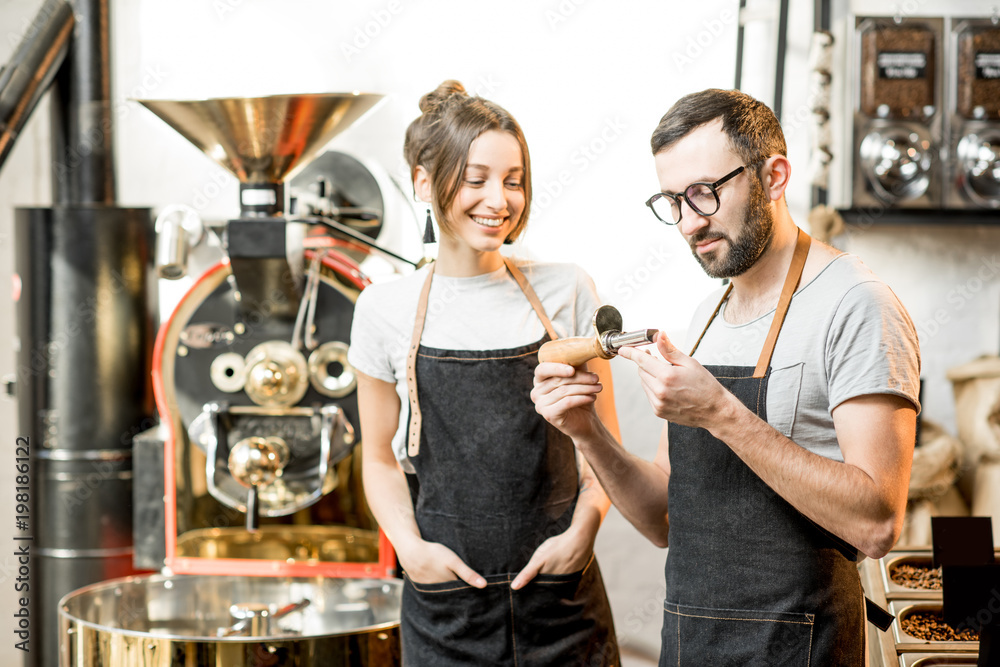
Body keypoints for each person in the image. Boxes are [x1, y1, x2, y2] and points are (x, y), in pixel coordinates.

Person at [531, 88, 921, 666]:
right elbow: (664, 516)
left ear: (774, 177)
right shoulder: (708, 315)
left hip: (799, 650)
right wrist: (586, 432)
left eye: (704, 194)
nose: (689, 223)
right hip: (694, 648)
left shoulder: (857, 306)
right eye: (673, 201)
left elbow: (876, 523)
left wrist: (719, 411)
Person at [348, 80, 621, 666]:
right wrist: (412, 550)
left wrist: (582, 534)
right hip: (446, 613)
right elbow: (377, 459)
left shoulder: (567, 290)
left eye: (513, 179)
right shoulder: (383, 310)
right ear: (425, 182)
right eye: (475, 179)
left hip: (563, 609)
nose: (498, 199)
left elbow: (606, 451)